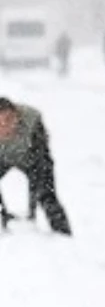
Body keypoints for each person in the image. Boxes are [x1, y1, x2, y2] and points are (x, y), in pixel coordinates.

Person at [0, 97, 73, 235]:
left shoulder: (32, 120)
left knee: (46, 194)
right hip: (2, 158)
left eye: (9, 119)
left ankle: (64, 236)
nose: (5, 126)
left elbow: (41, 157)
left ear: (17, 114)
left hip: (33, 158)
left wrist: (31, 211)